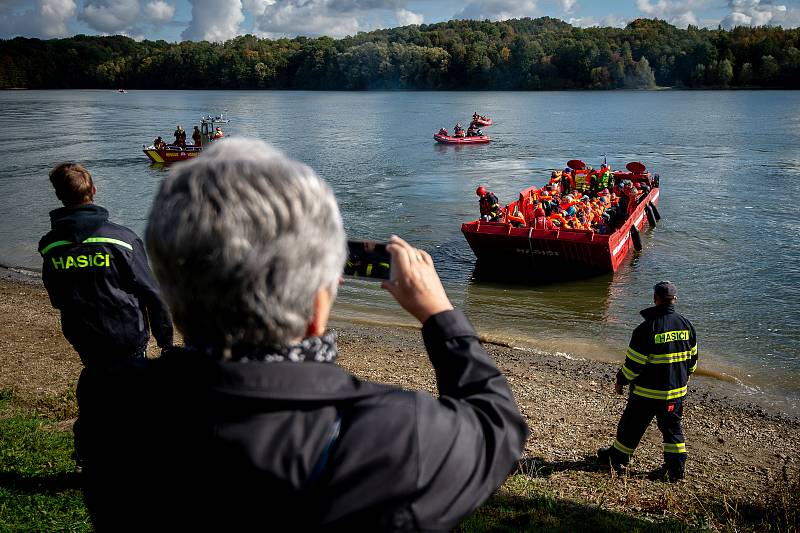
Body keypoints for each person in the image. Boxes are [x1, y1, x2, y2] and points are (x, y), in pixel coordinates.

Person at [79, 139, 528, 531]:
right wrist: (439, 314)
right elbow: (498, 426)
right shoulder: (398, 436)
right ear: (318, 307)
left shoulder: (111, 409)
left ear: (171, 289)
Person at [37, 163, 174, 472]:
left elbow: (56, 295)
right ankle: (135, 459)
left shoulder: (51, 245)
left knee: (97, 387)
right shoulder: (122, 240)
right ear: (93, 191)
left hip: (85, 337)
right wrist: (165, 340)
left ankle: (90, 455)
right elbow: (153, 294)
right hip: (127, 335)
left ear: (59, 196)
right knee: (134, 396)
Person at [597, 281, 697, 481]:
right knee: (672, 430)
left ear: (655, 299)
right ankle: (676, 469)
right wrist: (683, 378)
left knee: (631, 424)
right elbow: (692, 362)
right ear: (675, 300)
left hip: (646, 393)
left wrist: (620, 380)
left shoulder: (646, 328)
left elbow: (634, 365)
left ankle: (619, 456)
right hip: (675, 393)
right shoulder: (687, 325)